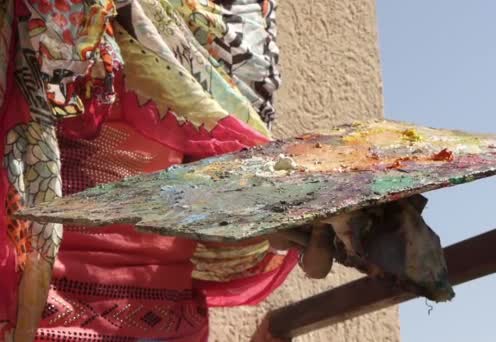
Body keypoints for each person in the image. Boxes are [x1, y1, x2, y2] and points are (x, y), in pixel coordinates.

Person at [0, 0, 321, 340]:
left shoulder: (235, 20)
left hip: (159, 319)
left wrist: (279, 214)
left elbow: (214, 179)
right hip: (39, 309)